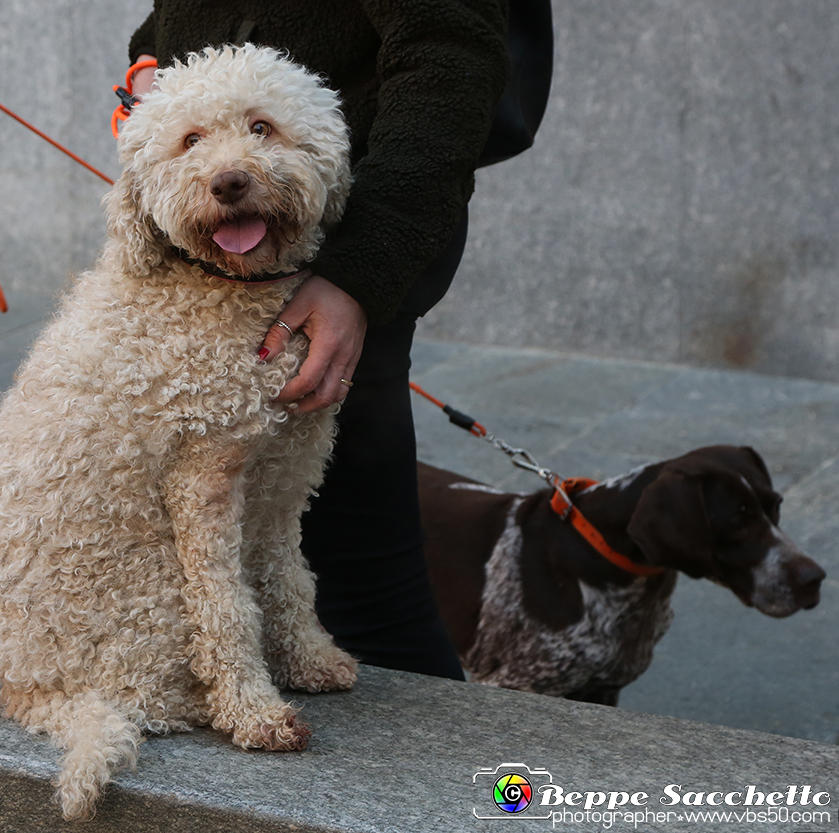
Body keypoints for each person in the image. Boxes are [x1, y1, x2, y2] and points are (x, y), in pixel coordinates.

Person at [128, 1, 551, 676]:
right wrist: (151, 64)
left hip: (341, 241)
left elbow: (448, 54)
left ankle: (442, 780)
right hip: (206, 271)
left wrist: (356, 277)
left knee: (362, 591)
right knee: (215, 548)